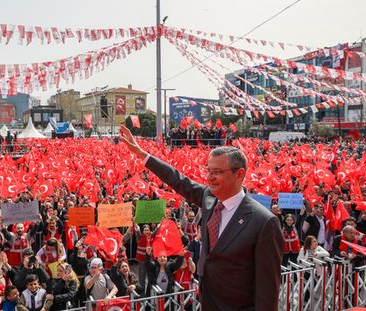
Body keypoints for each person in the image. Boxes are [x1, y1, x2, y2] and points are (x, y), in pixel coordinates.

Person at [119, 125, 284, 310]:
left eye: (217, 172)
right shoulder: (209, 198)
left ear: (240, 174)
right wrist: (142, 154)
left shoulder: (264, 222)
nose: (210, 177)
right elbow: (178, 179)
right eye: (209, 170)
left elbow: (268, 290)